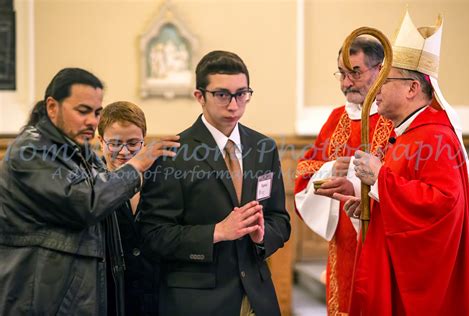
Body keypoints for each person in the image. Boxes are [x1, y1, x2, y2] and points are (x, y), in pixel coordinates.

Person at [0, 68, 179, 315]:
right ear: (52, 107)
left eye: (96, 112)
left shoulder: (77, 151)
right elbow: (86, 203)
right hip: (39, 299)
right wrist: (137, 165)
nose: (92, 121)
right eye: (82, 111)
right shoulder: (31, 150)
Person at [337, 12, 469, 315]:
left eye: (385, 79)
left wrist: (380, 179)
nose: (376, 88)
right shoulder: (409, 134)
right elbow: (409, 195)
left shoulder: (435, 138)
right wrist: (372, 204)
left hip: (419, 289)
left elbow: (442, 205)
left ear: (412, 88)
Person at [139, 50, 291, 316]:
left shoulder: (263, 148)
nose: (234, 105)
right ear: (200, 96)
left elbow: (280, 218)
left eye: (242, 94)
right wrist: (216, 232)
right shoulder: (173, 153)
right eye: (222, 95)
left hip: (256, 294)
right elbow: (153, 234)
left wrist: (263, 235)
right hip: (197, 300)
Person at [293, 36, 393, 315]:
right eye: (342, 72)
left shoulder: (396, 115)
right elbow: (304, 169)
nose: (346, 82)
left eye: (355, 72)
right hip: (345, 242)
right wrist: (330, 169)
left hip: (384, 237)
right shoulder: (337, 118)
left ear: (380, 70)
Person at [98, 101, 168, 315]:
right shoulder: (92, 185)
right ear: (101, 142)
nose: (124, 151)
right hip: (111, 296)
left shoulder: (162, 181)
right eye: (115, 143)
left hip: (157, 294)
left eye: (133, 143)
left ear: (143, 142)